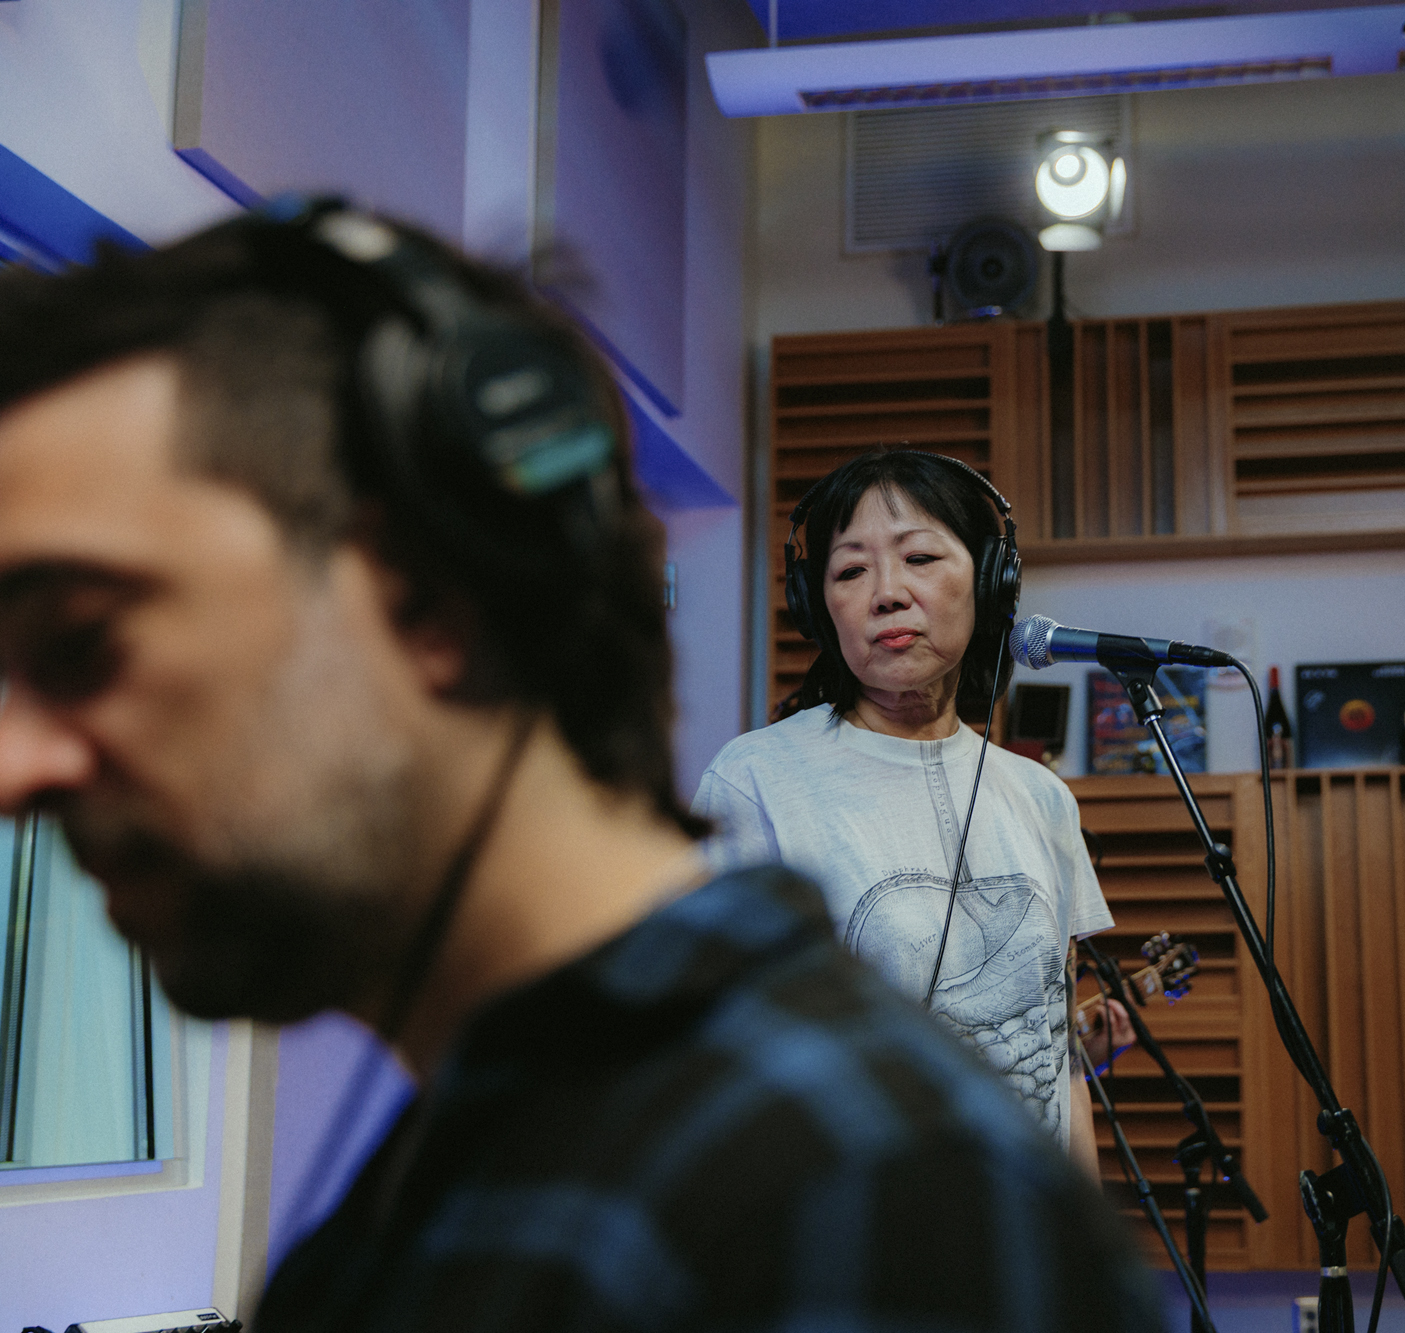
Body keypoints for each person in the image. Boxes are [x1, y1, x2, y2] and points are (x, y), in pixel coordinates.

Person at [0, 201, 1159, 1331]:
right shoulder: (476, 1164)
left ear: (427, 599)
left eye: (83, 640)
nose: (14, 763)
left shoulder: (854, 1201)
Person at [694, 450, 1130, 1174]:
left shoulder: (1042, 796)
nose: (886, 594)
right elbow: (716, 1056)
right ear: (817, 605)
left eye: (919, 557)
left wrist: (1080, 1227)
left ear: (990, 581)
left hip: (1023, 1221)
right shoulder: (754, 780)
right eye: (850, 571)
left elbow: (1062, 1063)